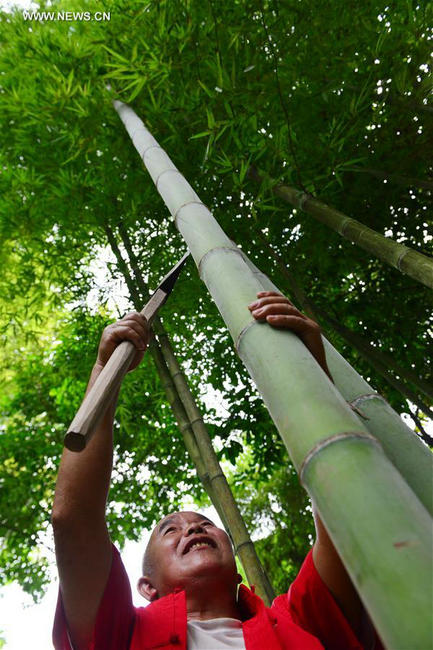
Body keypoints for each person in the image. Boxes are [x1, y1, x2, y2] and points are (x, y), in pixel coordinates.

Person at [52, 292, 381, 650]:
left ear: (237, 573)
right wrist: (104, 371)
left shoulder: (296, 622)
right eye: (170, 530)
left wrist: (312, 371)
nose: (193, 526)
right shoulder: (124, 635)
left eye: (205, 523)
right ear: (148, 587)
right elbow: (73, 519)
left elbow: (345, 522)